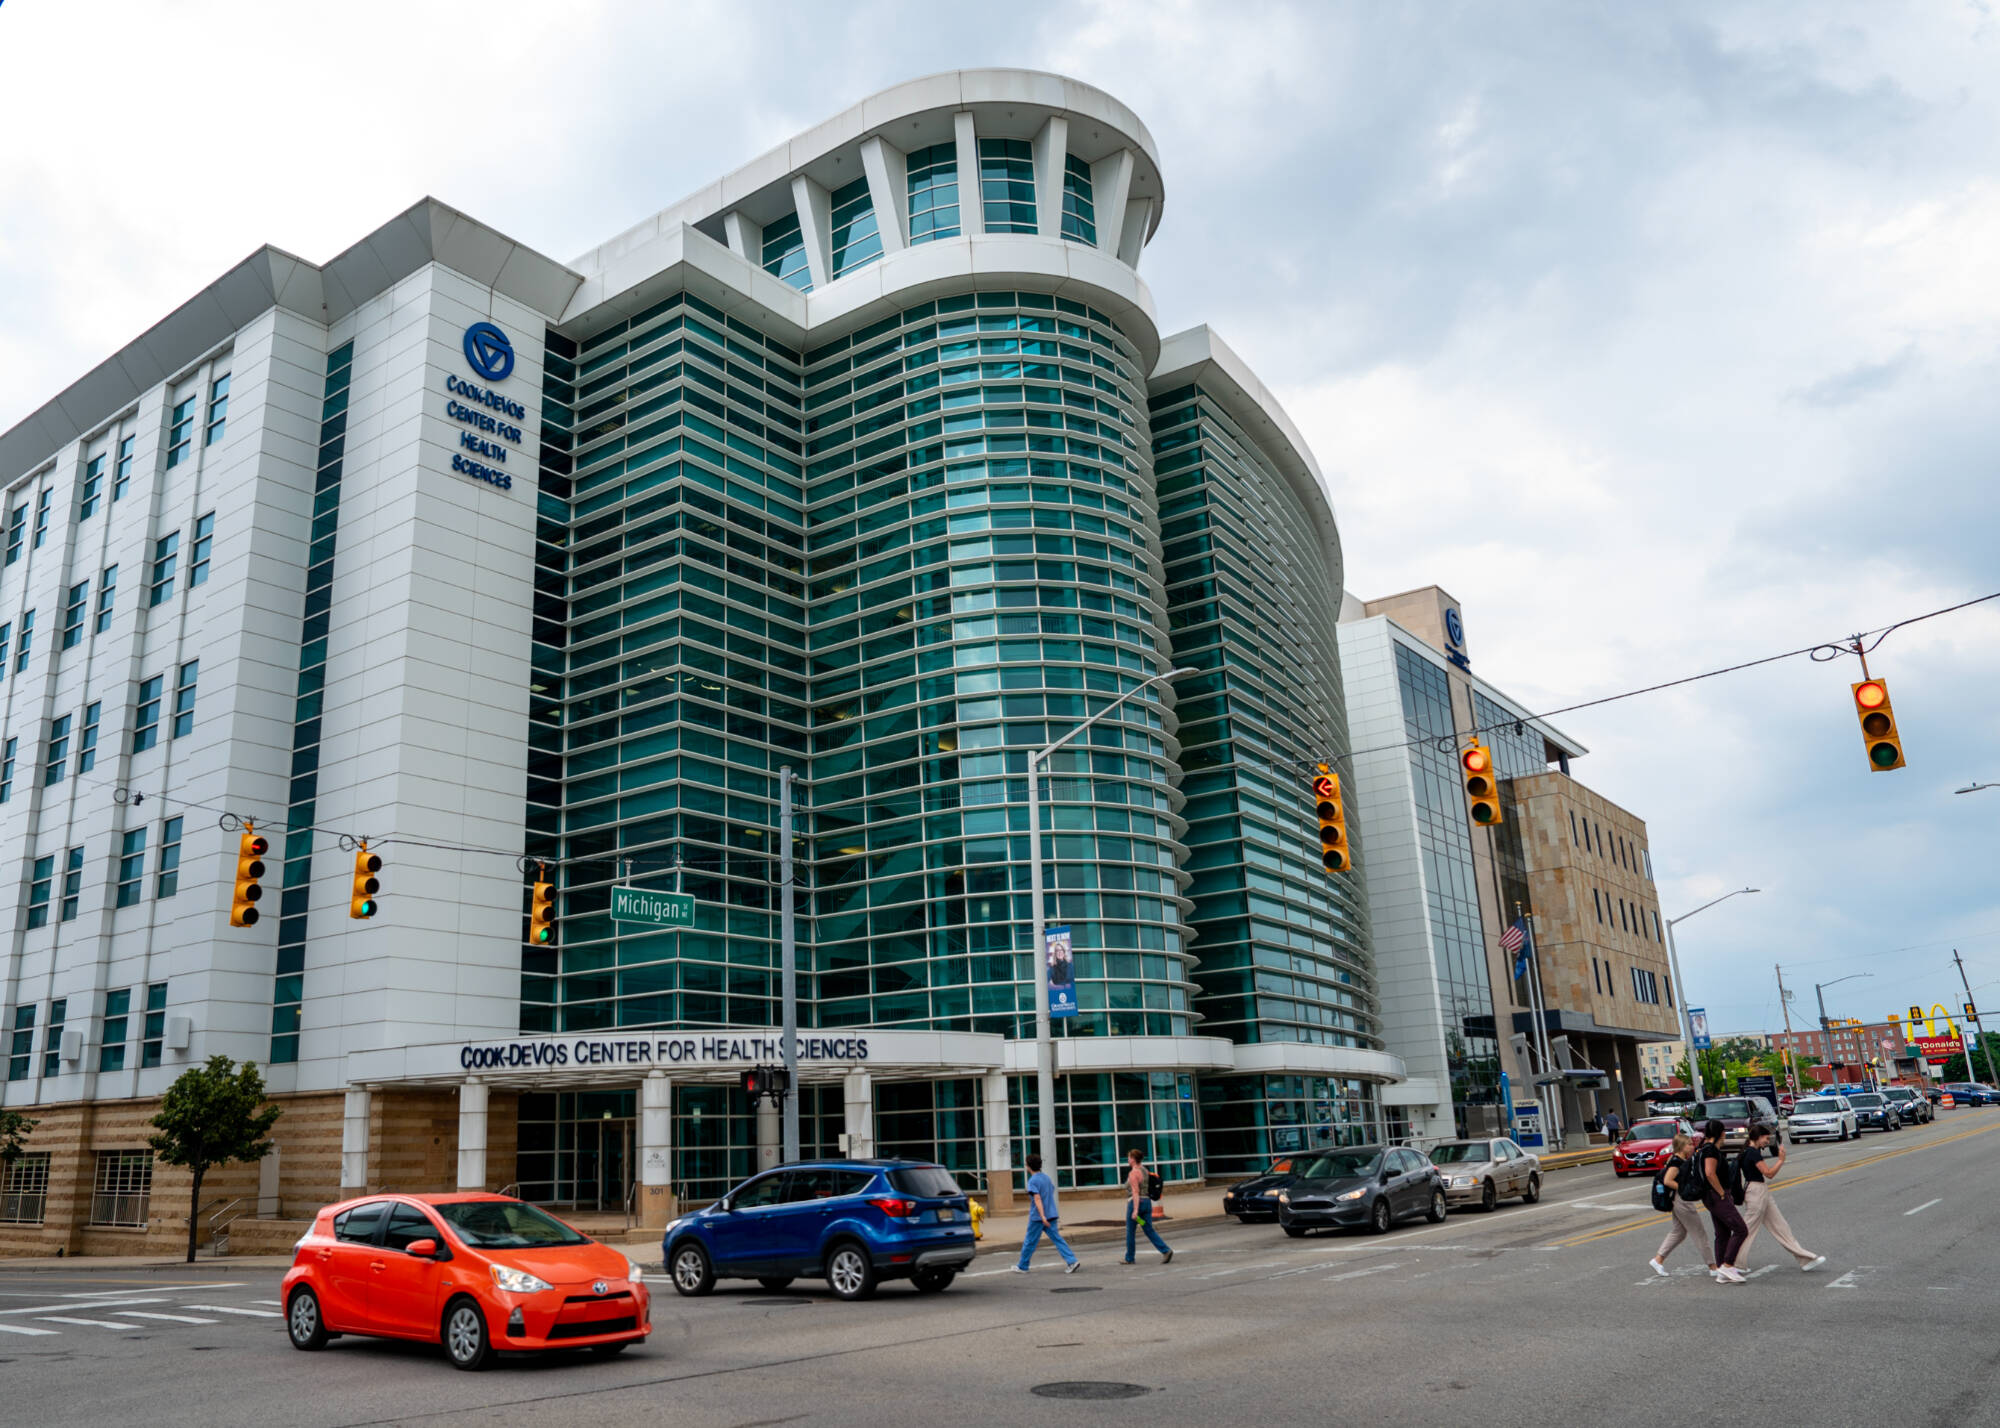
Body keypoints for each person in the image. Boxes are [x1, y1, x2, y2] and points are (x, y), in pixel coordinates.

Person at [1737, 1124, 1826, 1272]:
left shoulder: (1750, 1151)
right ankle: (1733, 1263)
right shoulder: (1752, 1152)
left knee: (1781, 1227)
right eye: (1766, 1138)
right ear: (1758, 1137)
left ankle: (1805, 1260)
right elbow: (1769, 1173)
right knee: (1747, 1229)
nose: (1767, 1142)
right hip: (1756, 1192)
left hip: (1760, 1190)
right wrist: (1781, 1160)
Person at [1647, 1131, 1715, 1277]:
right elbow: (1668, 1180)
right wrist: (1684, 1189)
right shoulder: (1676, 1162)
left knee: (1679, 1232)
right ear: (1681, 1147)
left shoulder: (1678, 1160)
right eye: (1689, 1144)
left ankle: (1658, 1260)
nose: (1692, 1147)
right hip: (1681, 1201)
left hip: (1678, 1200)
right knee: (1699, 1233)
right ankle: (1713, 1266)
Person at [1696, 1119, 1749, 1283]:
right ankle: (1728, 1265)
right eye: (1724, 1131)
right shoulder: (1710, 1150)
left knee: (1722, 1233)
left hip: (1710, 1196)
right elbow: (1710, 1173)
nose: (1725, 1134)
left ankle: (1721, 1271)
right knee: (1741, 1229)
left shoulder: (1704, 1149)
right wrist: (1721, 1193)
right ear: (1720, 1133)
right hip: (1716, 1195)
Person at [1012, 1153, 1079, 1275]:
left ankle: (1022, 1266)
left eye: (1026, 1164)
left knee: (1030, 1241)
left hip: (1038, 1217)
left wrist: (1042, 1216)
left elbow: (1037, 1198)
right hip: (1051, 1214)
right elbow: (1051, 1190)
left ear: (1029, 1166)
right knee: (1057, 1239)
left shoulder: (1032, 1181)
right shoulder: (1046, 1178)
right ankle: (1072, 1261)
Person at [1122, 1148, 1173, 1266]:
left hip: (1136, 1203)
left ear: (1133, 1159)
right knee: (1148, 1229)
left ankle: (1129, 1258)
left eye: (1129, 1157)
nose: (1128, 1159)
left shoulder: (1133, 1173)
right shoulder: (1144, 1170)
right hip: (1146, 1203)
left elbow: (1135, 1192)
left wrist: (1135, 1210)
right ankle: (1165, 1250)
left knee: (1130, 1231)